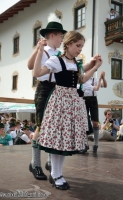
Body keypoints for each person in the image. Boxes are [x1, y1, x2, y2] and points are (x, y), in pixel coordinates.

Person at [33, 30, 102, 190]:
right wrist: (38, 52)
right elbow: (37, 73)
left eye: (82, 46)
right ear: (68, 44)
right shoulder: (56, 60)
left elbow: (83, 79)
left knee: (64, 141)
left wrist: (95, 66)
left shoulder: (76, 63)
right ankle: (56, 174)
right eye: (78, 45)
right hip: (59, 101)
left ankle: (57, 173)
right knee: (57, 139)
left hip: (73, 103)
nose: (80, 49)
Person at [27, 13, 67, 180]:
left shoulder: (60, 53)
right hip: (44, 88)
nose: (62, 39)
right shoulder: (43, 49)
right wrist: (38, 49)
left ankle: (50, 161)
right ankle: (35, 163)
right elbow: (30, 66)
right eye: (61, 36)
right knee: (41, 126)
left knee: (54, 127)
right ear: (52, 35)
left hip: (57, 89)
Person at [81, 71, 107, 153]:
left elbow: (105, 85)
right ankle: (85, 144)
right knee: (84, 122)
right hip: (83, 100)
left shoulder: (94, 80)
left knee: (95, 122)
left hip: (93, 100)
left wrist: (102, 78)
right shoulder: (82, 80)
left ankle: (95, 144)